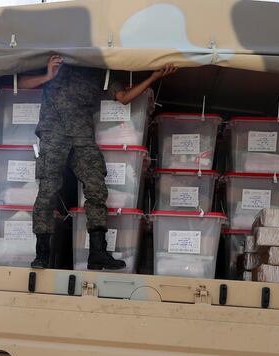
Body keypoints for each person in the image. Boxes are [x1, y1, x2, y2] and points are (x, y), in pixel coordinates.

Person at [18, 55, 177, 270]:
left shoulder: (102, 69)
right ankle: (42, 254)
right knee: (48, 189)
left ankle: (97, 253)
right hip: (53, 132)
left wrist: (153, 77)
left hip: (82, 135)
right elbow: (19, 84)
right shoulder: (60, 59)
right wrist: (48, 75)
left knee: (97, 188)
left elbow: (124, 97)